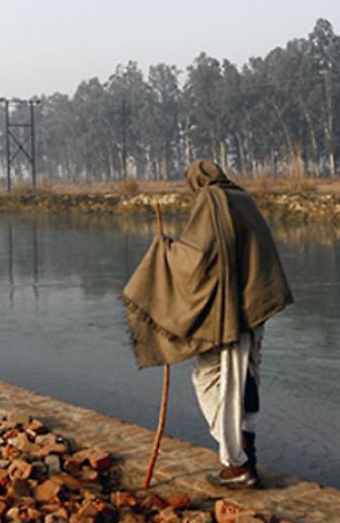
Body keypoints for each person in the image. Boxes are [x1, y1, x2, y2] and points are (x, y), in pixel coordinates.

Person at [121, 160, 292, 487]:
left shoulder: (211, 201)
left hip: (230, 314)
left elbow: (200, 257)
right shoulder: (243, 198)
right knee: (245, 378)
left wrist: (165, 252)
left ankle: (237, 465)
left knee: (216, 381)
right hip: (253, 307)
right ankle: (247, 458)